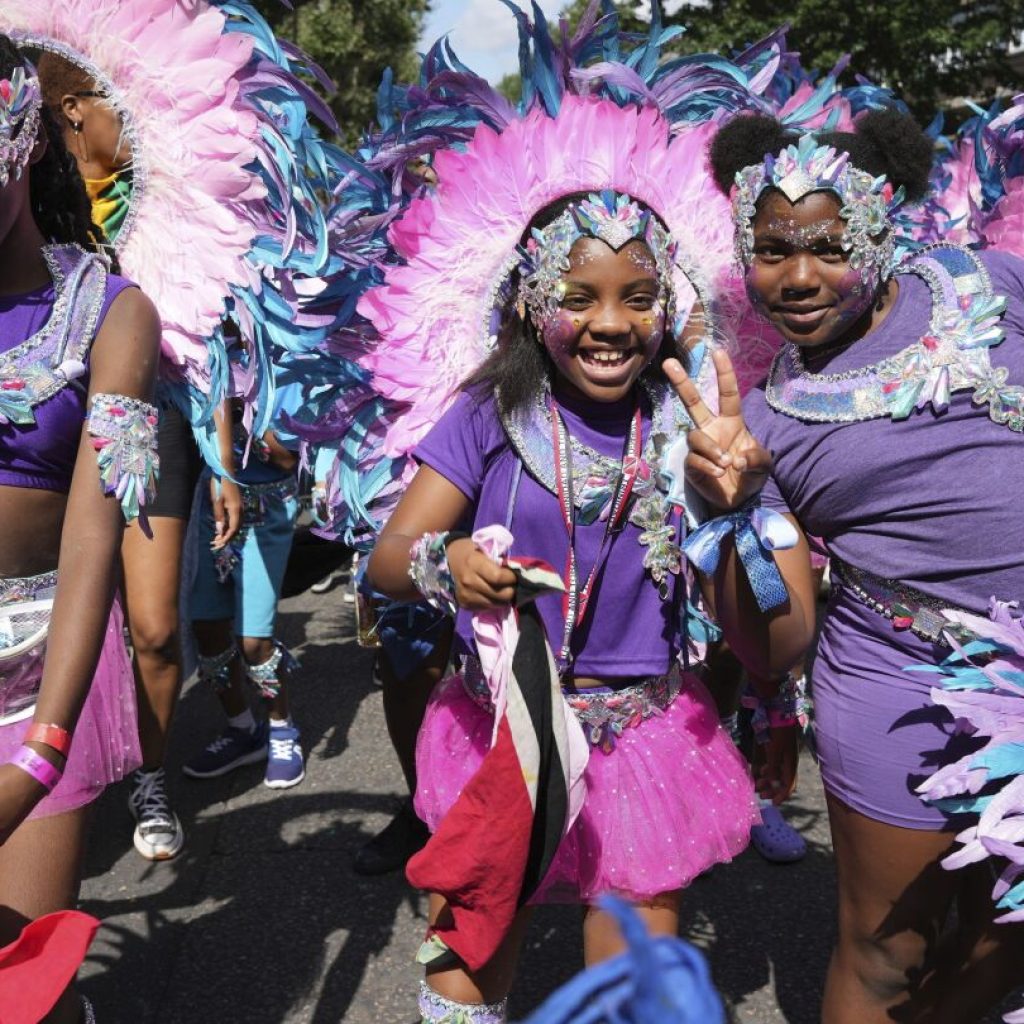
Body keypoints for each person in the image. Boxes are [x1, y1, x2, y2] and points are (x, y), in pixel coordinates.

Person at [367, 175, 760, 1018]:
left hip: (641, 738)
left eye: (639, 297)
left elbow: (749, 610)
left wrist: (740, 508)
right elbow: (387, 558)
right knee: (463, 976)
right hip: (505, 732)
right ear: (525, 301)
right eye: (576, 297)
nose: (611, 324)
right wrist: (450, 560)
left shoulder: (688, 422)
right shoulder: (488, 413)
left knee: (627, 999)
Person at [669, 108, 1024, 1023]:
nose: (796, 278)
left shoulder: (983, 281)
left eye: (828, 247)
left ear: (882, 226)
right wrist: (735, 504)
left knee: (1003, 935)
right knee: (883, 953)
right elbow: (778, 644)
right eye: (771, 251)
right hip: (899, 684)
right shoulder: (764, 425)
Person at [0, 37, 160, 1023]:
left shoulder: (110, 312)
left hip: (31, 682)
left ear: (21, 143)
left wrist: (39, 754)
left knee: (17, 976)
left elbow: (93, 546)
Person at [35, 51, 223, 863]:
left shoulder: (164, 204)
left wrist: (219, 454)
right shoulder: (24, 194)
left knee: (152, 627)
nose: (136, 129)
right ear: (73, 111)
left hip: (149, 425)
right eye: (117, 109)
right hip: (47, 425)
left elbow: (210, 328)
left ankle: (147, 770)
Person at [183, 398, 304, 789]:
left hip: (267, 510)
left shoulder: (281, 359)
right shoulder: (203, 356)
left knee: (254, 641)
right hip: (211, 508)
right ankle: (241, 728)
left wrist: (235, 416)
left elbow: (286, 459)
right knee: (207, 627)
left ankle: (282, 729)